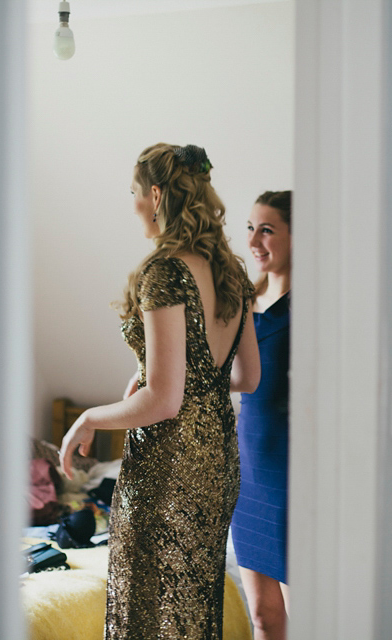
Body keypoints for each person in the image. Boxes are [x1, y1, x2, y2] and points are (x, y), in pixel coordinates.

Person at [60, 143, 260, 639]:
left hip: (167, 469)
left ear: (154, 194)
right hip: (216, 465)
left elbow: (164, 401)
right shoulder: (231, 271)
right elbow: (245, 377)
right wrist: (171, 371)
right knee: (191, 612)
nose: (132, 204)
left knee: (146, 615)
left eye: (133, 192)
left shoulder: (165, 272)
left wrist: (89, 419)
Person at [231, 190, 292, 640]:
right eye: (251, 227)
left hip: (294, 473)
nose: (254, 239)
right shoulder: (240, 303)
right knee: (263, 617)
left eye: (267, 229)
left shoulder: (319, 306)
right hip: (248, 471)